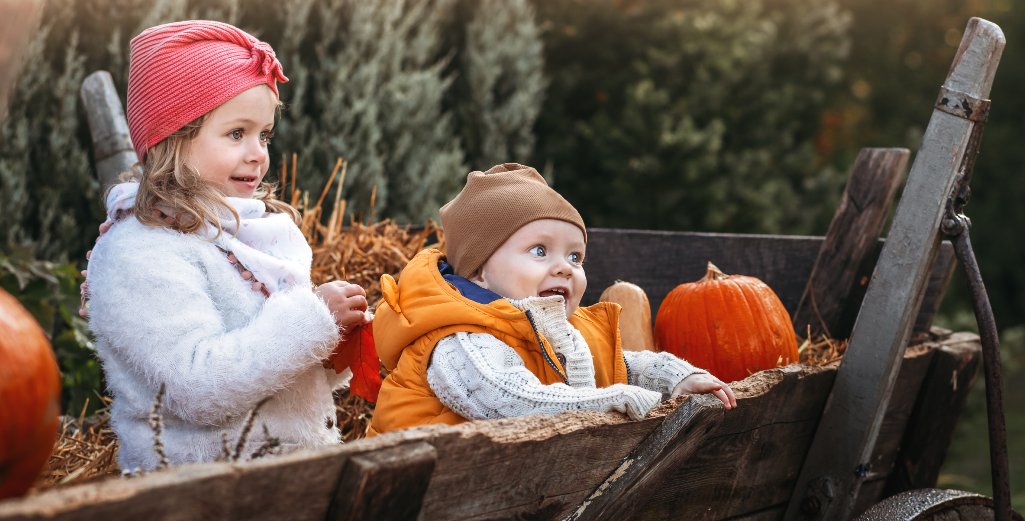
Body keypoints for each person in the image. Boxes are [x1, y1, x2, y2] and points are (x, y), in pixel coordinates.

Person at [85, 20, 369, 472]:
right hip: (196, 494)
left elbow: (273, 371)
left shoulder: (247, 233)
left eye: (264, 135)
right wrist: (313, 320)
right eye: (237, 133)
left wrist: (333, 340)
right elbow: (196, 389)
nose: (258, 152)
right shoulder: (144, 252)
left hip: (280, 478)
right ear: (173, 138)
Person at [367, 163, 735, 436]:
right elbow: (508, 400)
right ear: (480, 270)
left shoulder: (560, 333)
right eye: (540, 251)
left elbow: (621, 363)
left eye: (576, 257)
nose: (564, 268)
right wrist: (617, 399)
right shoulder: (458, 338)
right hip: (423, 502)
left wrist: (676, 378)